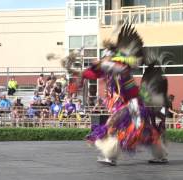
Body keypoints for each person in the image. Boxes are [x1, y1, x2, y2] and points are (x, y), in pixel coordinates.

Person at [62, 23, 168, 165]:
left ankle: (111, 155)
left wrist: (100, 63)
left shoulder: (121, 69)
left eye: (105, 58)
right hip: (129, 105)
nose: (104, 60)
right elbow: (89, 73)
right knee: (142, 131)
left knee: (113, 126)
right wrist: (71, 68)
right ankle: (159, 154)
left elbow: (113, 68)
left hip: (133, 105)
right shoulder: (110, 70)